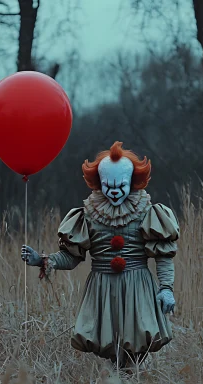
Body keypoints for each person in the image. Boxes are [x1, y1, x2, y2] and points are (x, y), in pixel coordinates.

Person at [20, 141, 180, 369]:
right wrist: (43, 260)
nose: (114, 191)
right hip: (103, 288)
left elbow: (163, 255)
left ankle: (130, 378)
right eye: (108, 185)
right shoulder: (88, 215)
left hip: (137, 286)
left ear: (132, 181)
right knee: (110, 341)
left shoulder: (147, 211)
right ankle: (119, 380)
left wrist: (166, 288)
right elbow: (73, 256)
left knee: (138, 340)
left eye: (121, 185)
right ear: (99, 182)